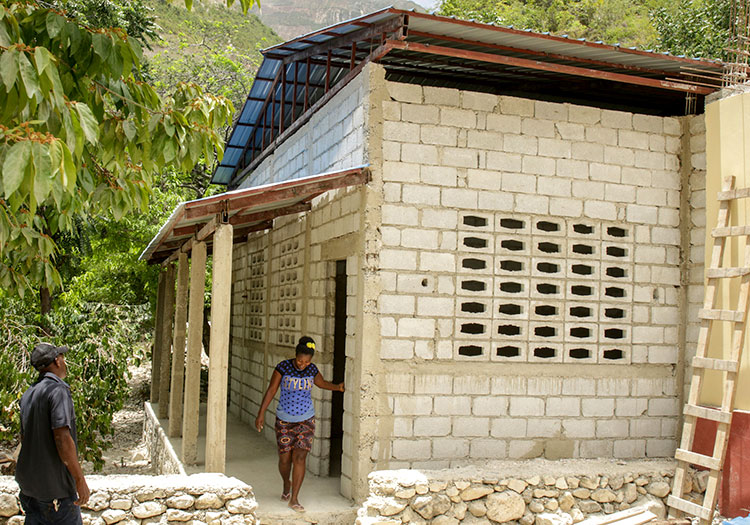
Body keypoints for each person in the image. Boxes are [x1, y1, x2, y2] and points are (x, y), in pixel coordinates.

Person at [255, 336, 344, 512]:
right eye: (300, 360)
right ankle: (286, 483)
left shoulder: (312, 369)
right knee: (284, 460)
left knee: (300, 457)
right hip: (284, 421)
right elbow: (272, 389)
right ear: (295, 356)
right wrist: (261, 413)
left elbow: (321, 383)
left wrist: (337, 387)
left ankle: (294, 498)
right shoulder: (283, 367)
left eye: (306, 362)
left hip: (306, 419)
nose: (302, 364)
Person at [16, 342, 90, 524]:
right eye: (62, 358)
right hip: (57, 494)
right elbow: (62, 438)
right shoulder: (58, 390)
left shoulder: (28, 394)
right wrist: (79, 479)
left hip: (31, 491)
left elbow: (25, 439)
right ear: (57, 361)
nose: (64, 362)